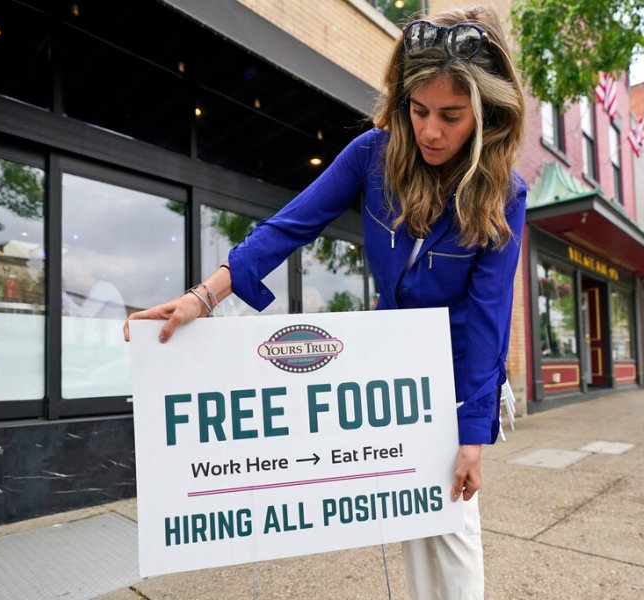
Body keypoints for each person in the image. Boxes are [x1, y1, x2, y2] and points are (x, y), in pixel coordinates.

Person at [125, 6, 525, 598]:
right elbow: (290, 226)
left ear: (486, 115)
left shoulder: (503, 192)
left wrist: (471, 436)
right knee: (412, 514)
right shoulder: (373, 154)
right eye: (418, 111)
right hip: (393, 363)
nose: (430, 131)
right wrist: (204, 297)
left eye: (451, 116)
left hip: (460, 369)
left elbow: (490, 317)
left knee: (455, 521)